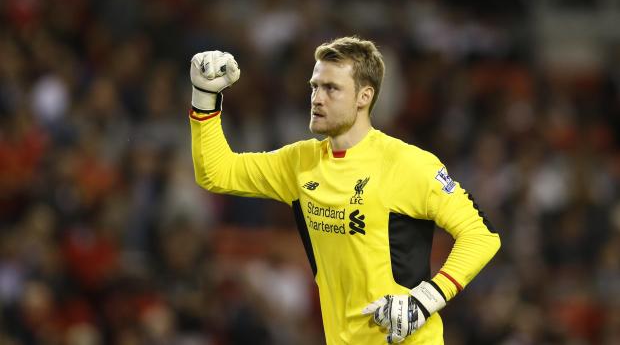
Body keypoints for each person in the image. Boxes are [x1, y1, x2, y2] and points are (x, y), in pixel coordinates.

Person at [188, 36, 501, 344]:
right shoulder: (300, 163)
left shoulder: (407, 164)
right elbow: (216, 173)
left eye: (331, 89)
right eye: (315, 86)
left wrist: (427, 298)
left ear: (364, 96)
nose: (317, 98)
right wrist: (204, 96)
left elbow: (481, 235)